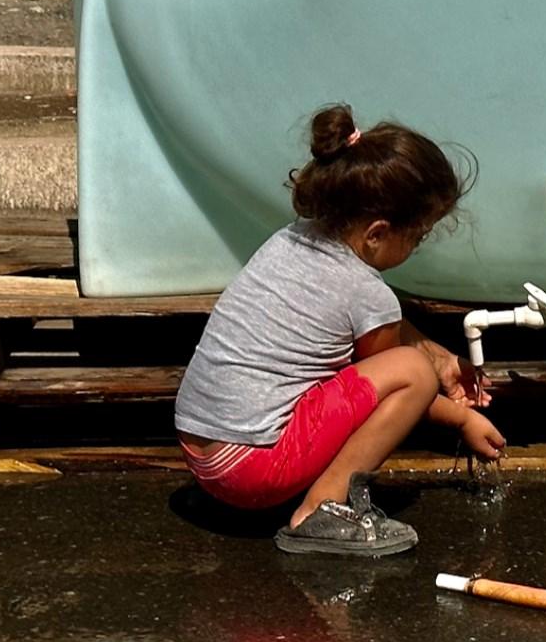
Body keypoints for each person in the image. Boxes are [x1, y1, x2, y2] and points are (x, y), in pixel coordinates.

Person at [175, 103, 504, 557]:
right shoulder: (366, 294)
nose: (420, 244)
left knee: (410, 362)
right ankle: (319, 512)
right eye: (420, 234)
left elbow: (379, 342)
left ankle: (266, 498)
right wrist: (462, 417)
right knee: (411, 369)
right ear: (376, 233)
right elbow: (399, 387)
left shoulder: (294, 238)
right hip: (249, 469)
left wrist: (442, 357)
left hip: (202, 454)